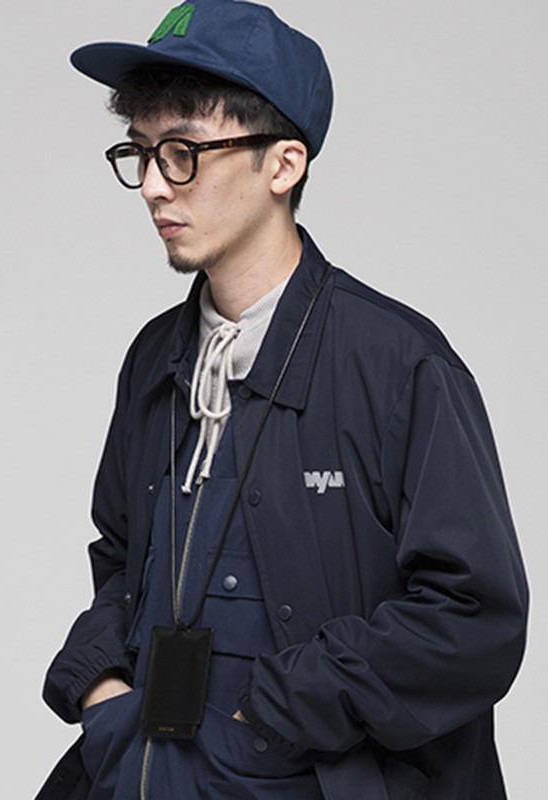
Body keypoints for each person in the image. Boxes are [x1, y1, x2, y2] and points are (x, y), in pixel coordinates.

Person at [36, 1, 528, 798]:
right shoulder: (154, 358)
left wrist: (274, 710)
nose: (153, 186)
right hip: (148, 776)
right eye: (140, 152)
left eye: (183, 153)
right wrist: (101, 689)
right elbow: (120, 558)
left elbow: (476, 616)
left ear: (283, 164)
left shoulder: (399, 365)